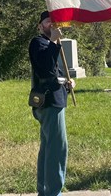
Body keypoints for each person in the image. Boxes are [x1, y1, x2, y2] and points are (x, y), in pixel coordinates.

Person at [29, 10, 75, 196]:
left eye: (53, 22)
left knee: (48, 148)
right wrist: (55, 43)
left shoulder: (49, 45)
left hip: (54, 101)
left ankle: (44, 190)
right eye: (47, 22)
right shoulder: (38, 42)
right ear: (40, 26)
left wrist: (67, 82)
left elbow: (55, 75)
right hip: (48, 103)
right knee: (57, 148)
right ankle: (53, 193)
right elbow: (46, 70)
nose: (51, 25)